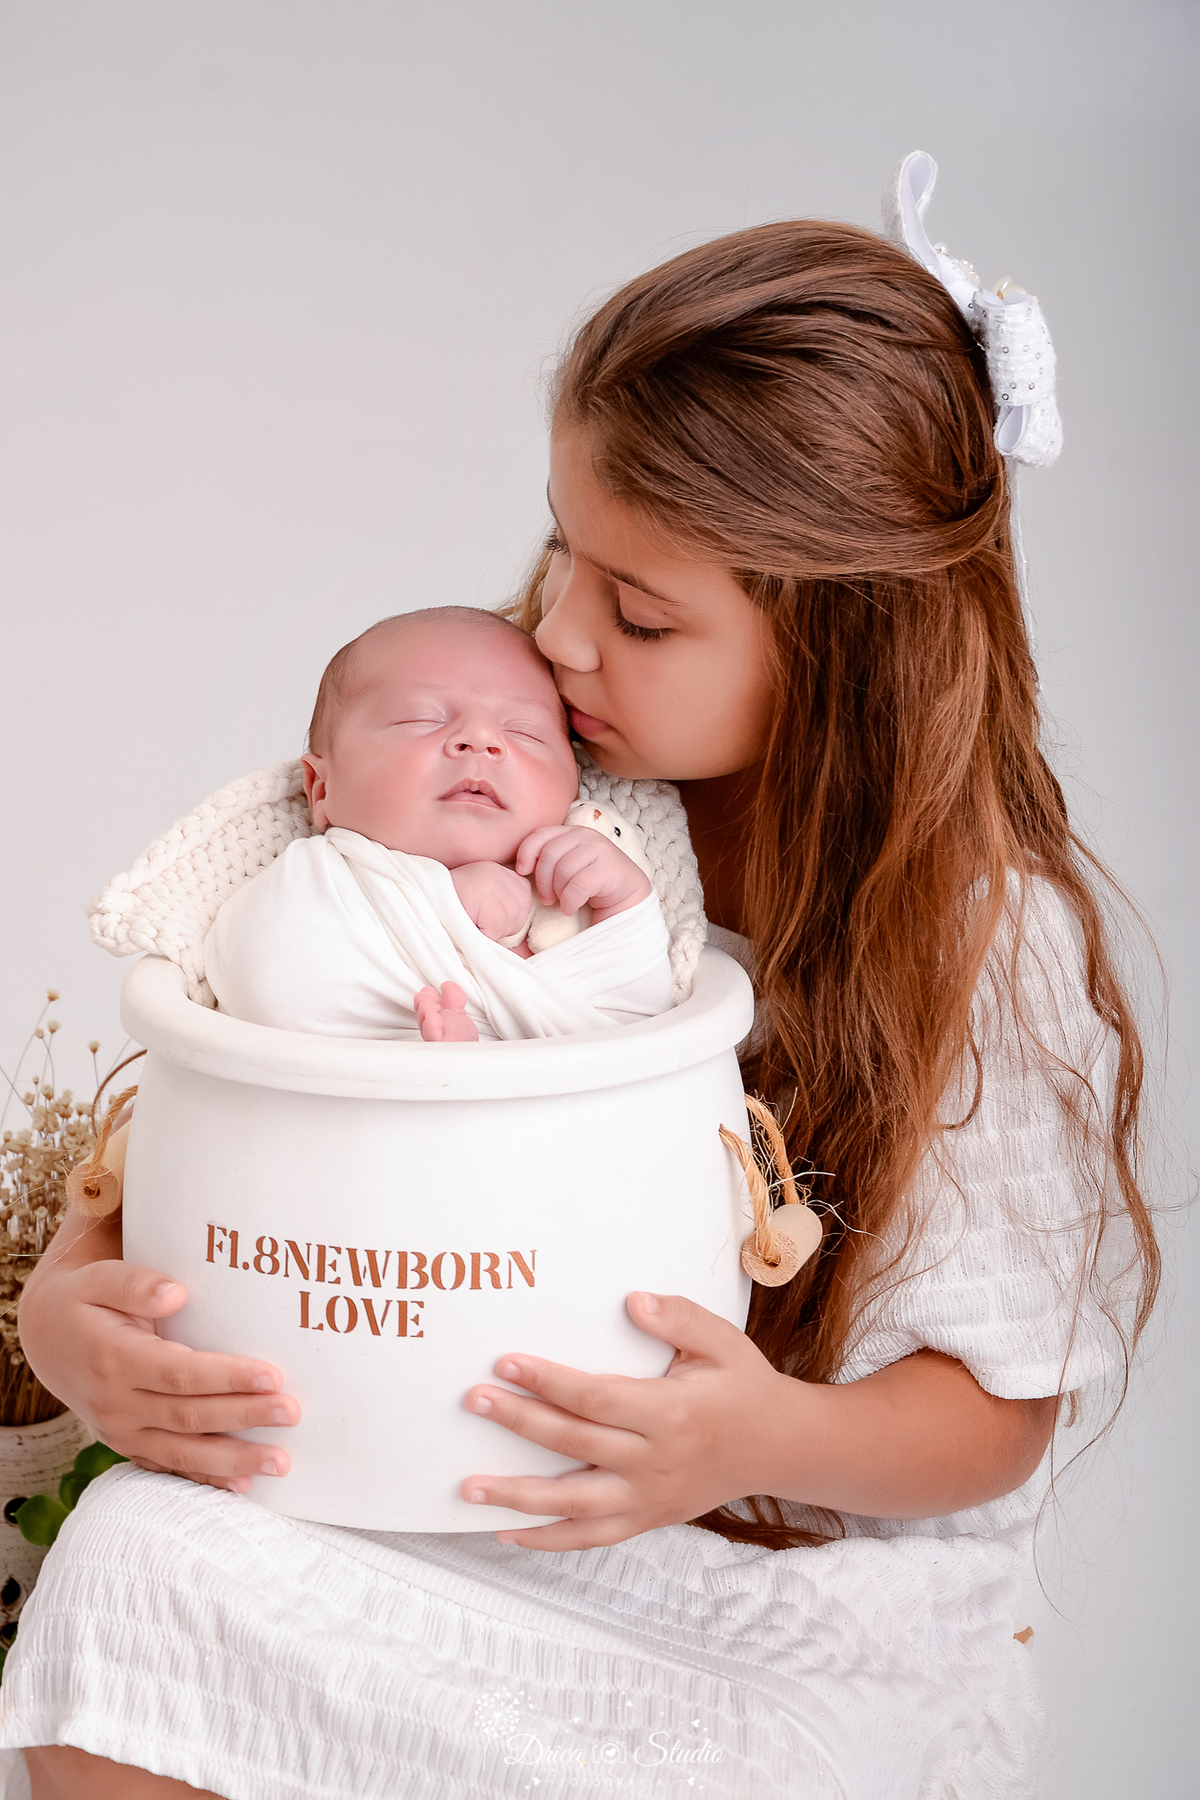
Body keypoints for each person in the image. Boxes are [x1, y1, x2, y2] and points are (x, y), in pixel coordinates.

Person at [4, 185, 1160, 1800]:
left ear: (841, 646)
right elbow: (269, 1079)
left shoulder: (978, 942)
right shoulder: (525, 780)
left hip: (805, 1595)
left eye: (637, 612)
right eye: (564, 549)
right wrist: (72, 1297)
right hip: (497, 1501)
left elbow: (994, 1416)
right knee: (135, 1562)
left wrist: (754, 1437)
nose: (552, 638)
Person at [203, 605, 673, 1045]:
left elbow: (647, 1028)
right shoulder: (321, 877)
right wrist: (442, 905)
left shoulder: (578, 888)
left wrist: (625, 901)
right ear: (322, 789)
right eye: (421, 718)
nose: (481, 739)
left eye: (525, 731)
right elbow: (264, 978)